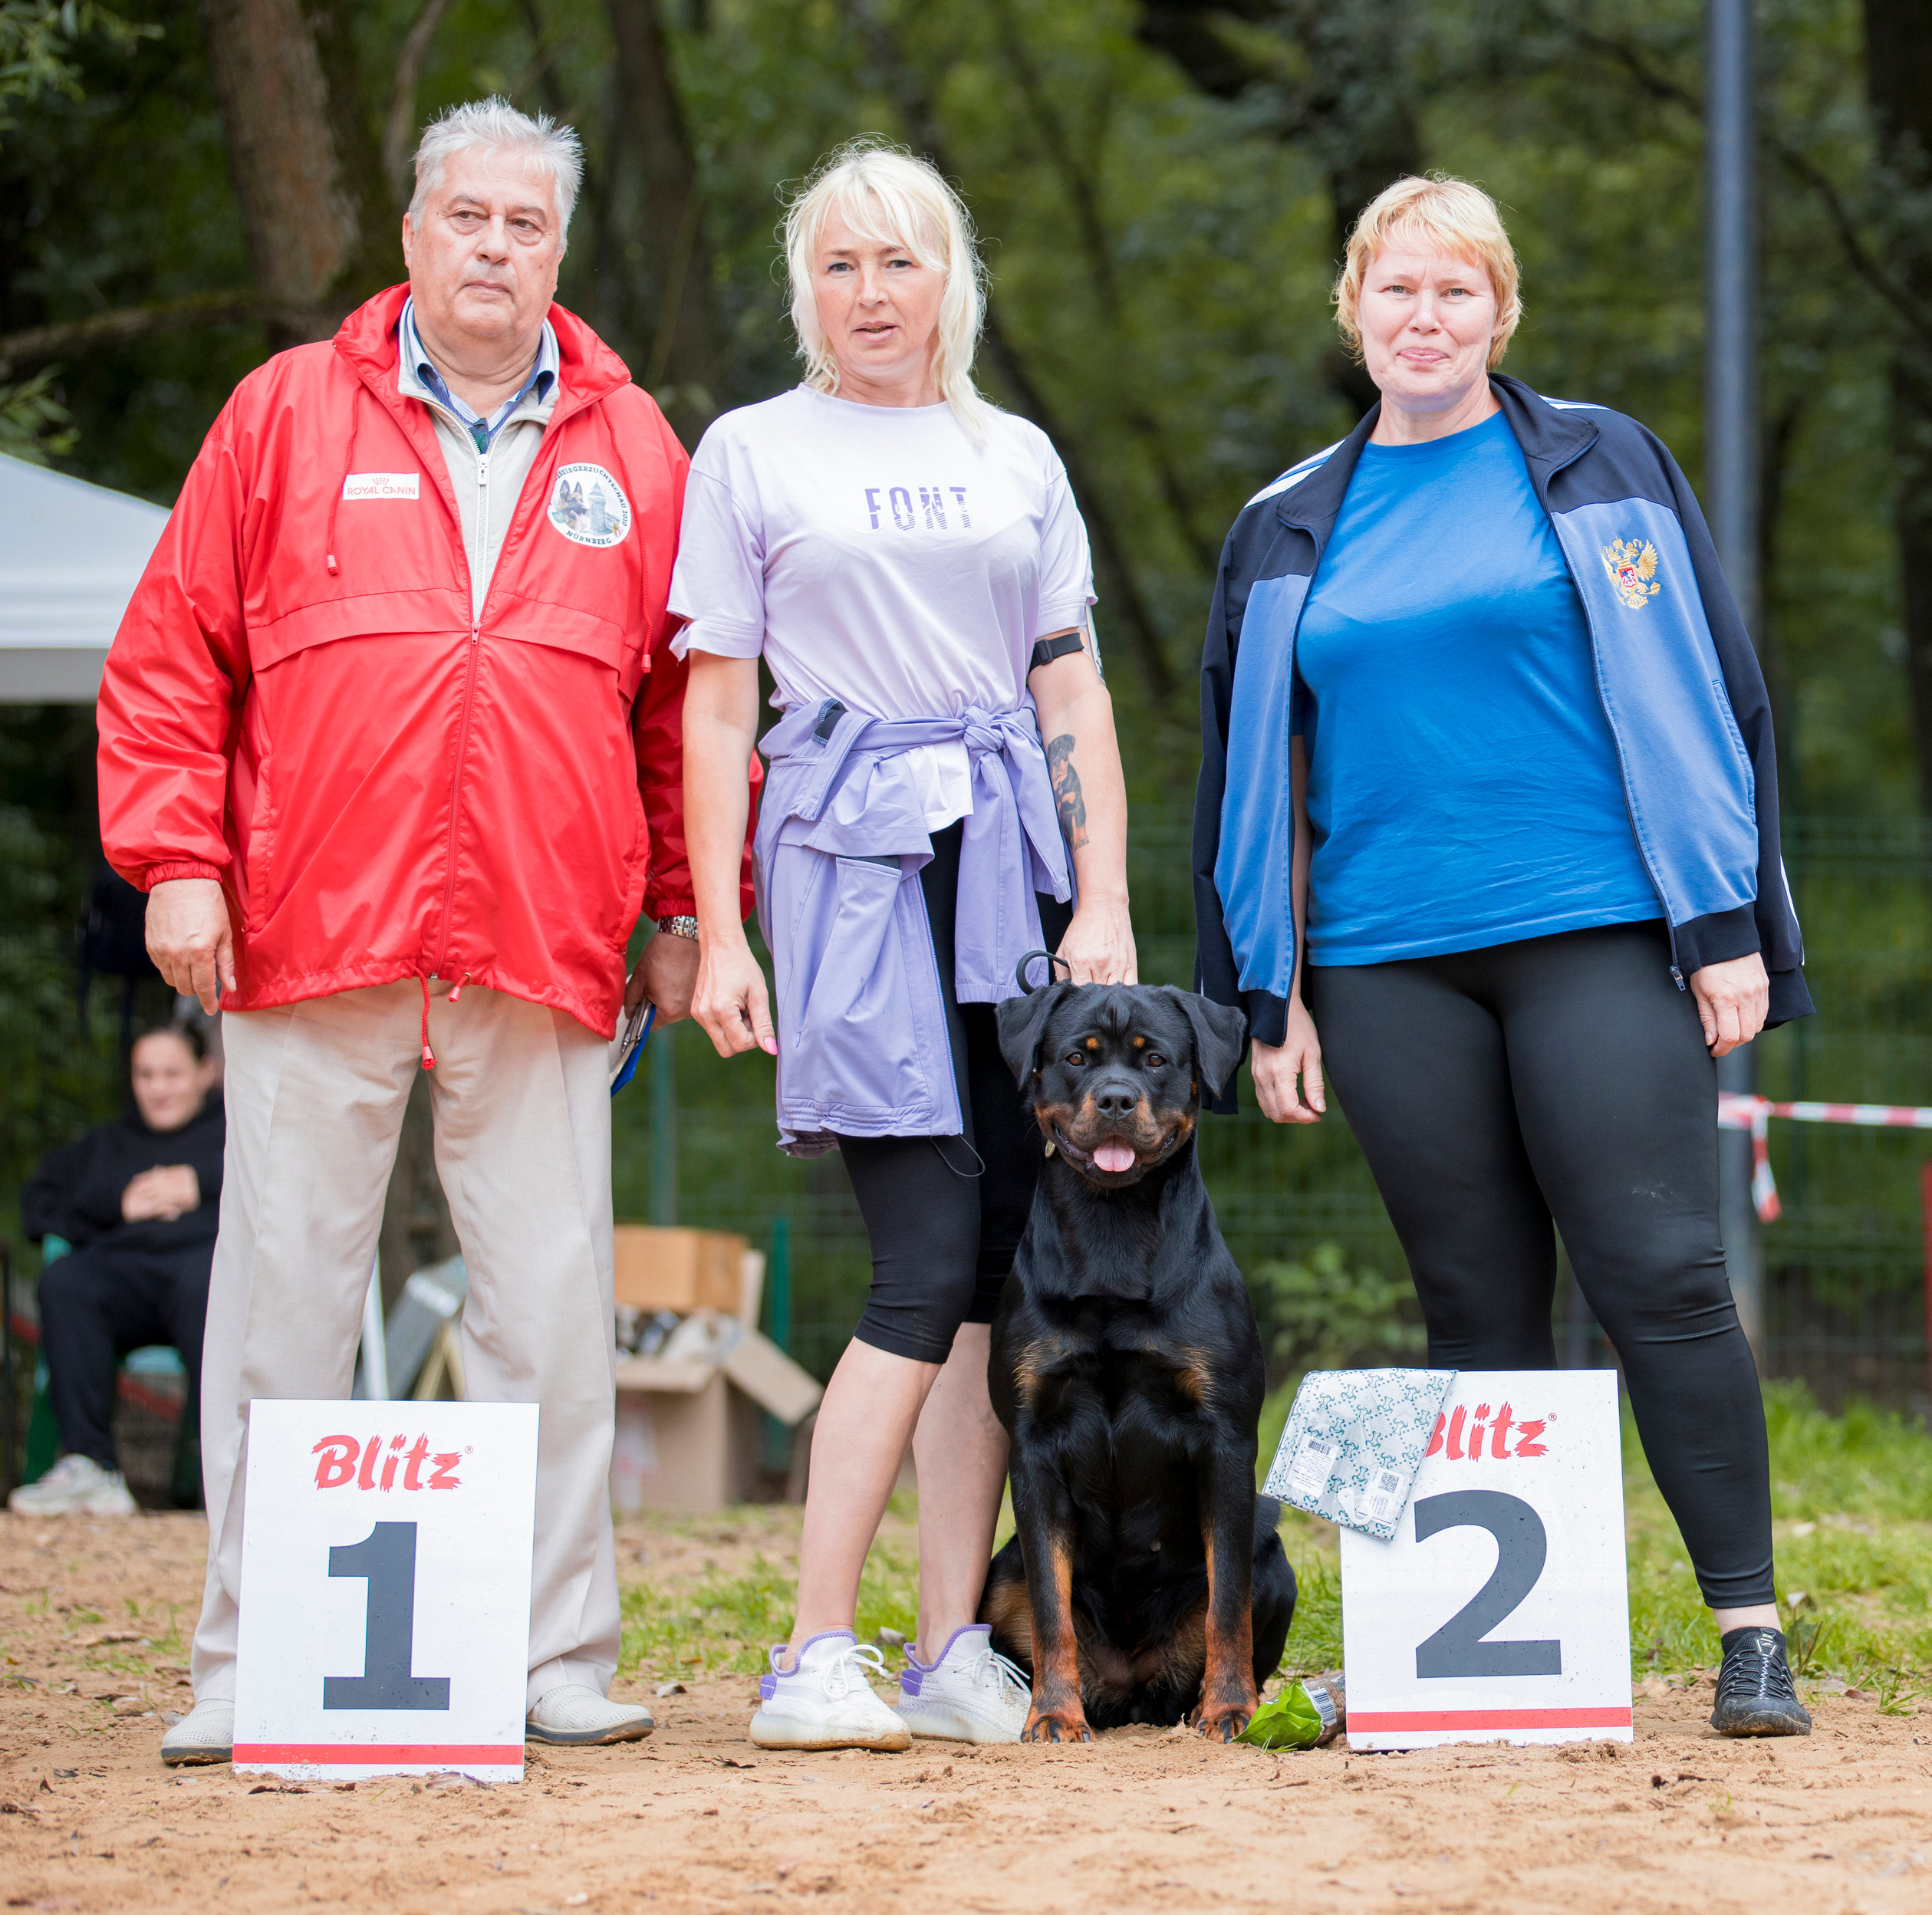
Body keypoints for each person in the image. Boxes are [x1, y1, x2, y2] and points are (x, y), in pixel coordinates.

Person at [97, 96, 740, 1767]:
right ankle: (249, 1658)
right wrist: (175, 856)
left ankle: (554, 1655)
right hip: (306, 928)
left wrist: (675, 904)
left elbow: (683, 708)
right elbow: (171, 655)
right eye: (466, 217)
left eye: (525, 225)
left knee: (544, 1294)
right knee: (282, 1295)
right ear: (409, 234)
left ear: (559, 250)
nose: (493, 248)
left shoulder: (633, 442)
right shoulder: (282, 414)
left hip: (543, 932)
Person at [1193, 173, 1816, 1739]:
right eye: (1395, 290)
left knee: (1663, 1276)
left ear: (1498, 310)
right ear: (1352, 309)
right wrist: (1261, 995)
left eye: (1454, 292)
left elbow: (1707, 691)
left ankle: (1745, 1628)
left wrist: (1725, 920)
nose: (1422, 316)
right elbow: (1244, 774)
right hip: (1384, 964)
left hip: (1597, 933)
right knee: (1469, 1305)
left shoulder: (1600, 459)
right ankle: (1499, 1654)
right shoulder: (1280, 525)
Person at [675, 139, 1138, 1751]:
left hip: (1009, 864)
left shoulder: (1013, 453)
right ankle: (813, 1649)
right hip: (851, 865)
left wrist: (1104, 902)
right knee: (918, 1254)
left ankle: (950, 1646)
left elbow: (1067, 688)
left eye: (901, 259)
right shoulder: (749, 450)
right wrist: (717, 924)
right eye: (838, 265)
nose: (871, 292)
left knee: (995, 1271)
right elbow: (718, 700)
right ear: (806, 290)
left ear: (955, 278)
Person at [10, 1022, 224, 1518]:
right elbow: (39, 1207)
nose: (158, 1087)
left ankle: (218, 1466)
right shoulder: (106, 1147)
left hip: (201, 1275)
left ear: (204, 1073)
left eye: (172, 1073)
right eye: (145, 1074)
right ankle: (90, 1465)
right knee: (66, 1281)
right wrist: (118, 1201)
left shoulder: (236, 1138)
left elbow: (285, 1192)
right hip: (125, 1277)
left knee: (210, 1285)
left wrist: (200, 1184)